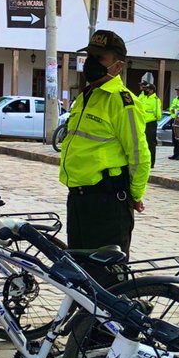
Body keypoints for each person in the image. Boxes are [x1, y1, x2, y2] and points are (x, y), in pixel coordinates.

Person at [58, 29, 149, 256]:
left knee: (105, 273)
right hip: (78, 199)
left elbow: (139, 154)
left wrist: (135, 195)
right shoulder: (86, 96)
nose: (91, 62)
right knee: (79, 270)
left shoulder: (122, 101)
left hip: (107, 203)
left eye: (99, 58)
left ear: (117, 66)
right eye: (90, 56)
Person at [137, 80, 162, 168]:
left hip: (151, 124)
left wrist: (150, 116)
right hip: (142, 123)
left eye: (147, 89)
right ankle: (144, 161)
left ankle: (151, 163)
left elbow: (158, 115)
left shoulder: (155, 100)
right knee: (142, 143)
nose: (145, 90)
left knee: (150, 144)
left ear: (151, 90)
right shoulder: (144, 98)